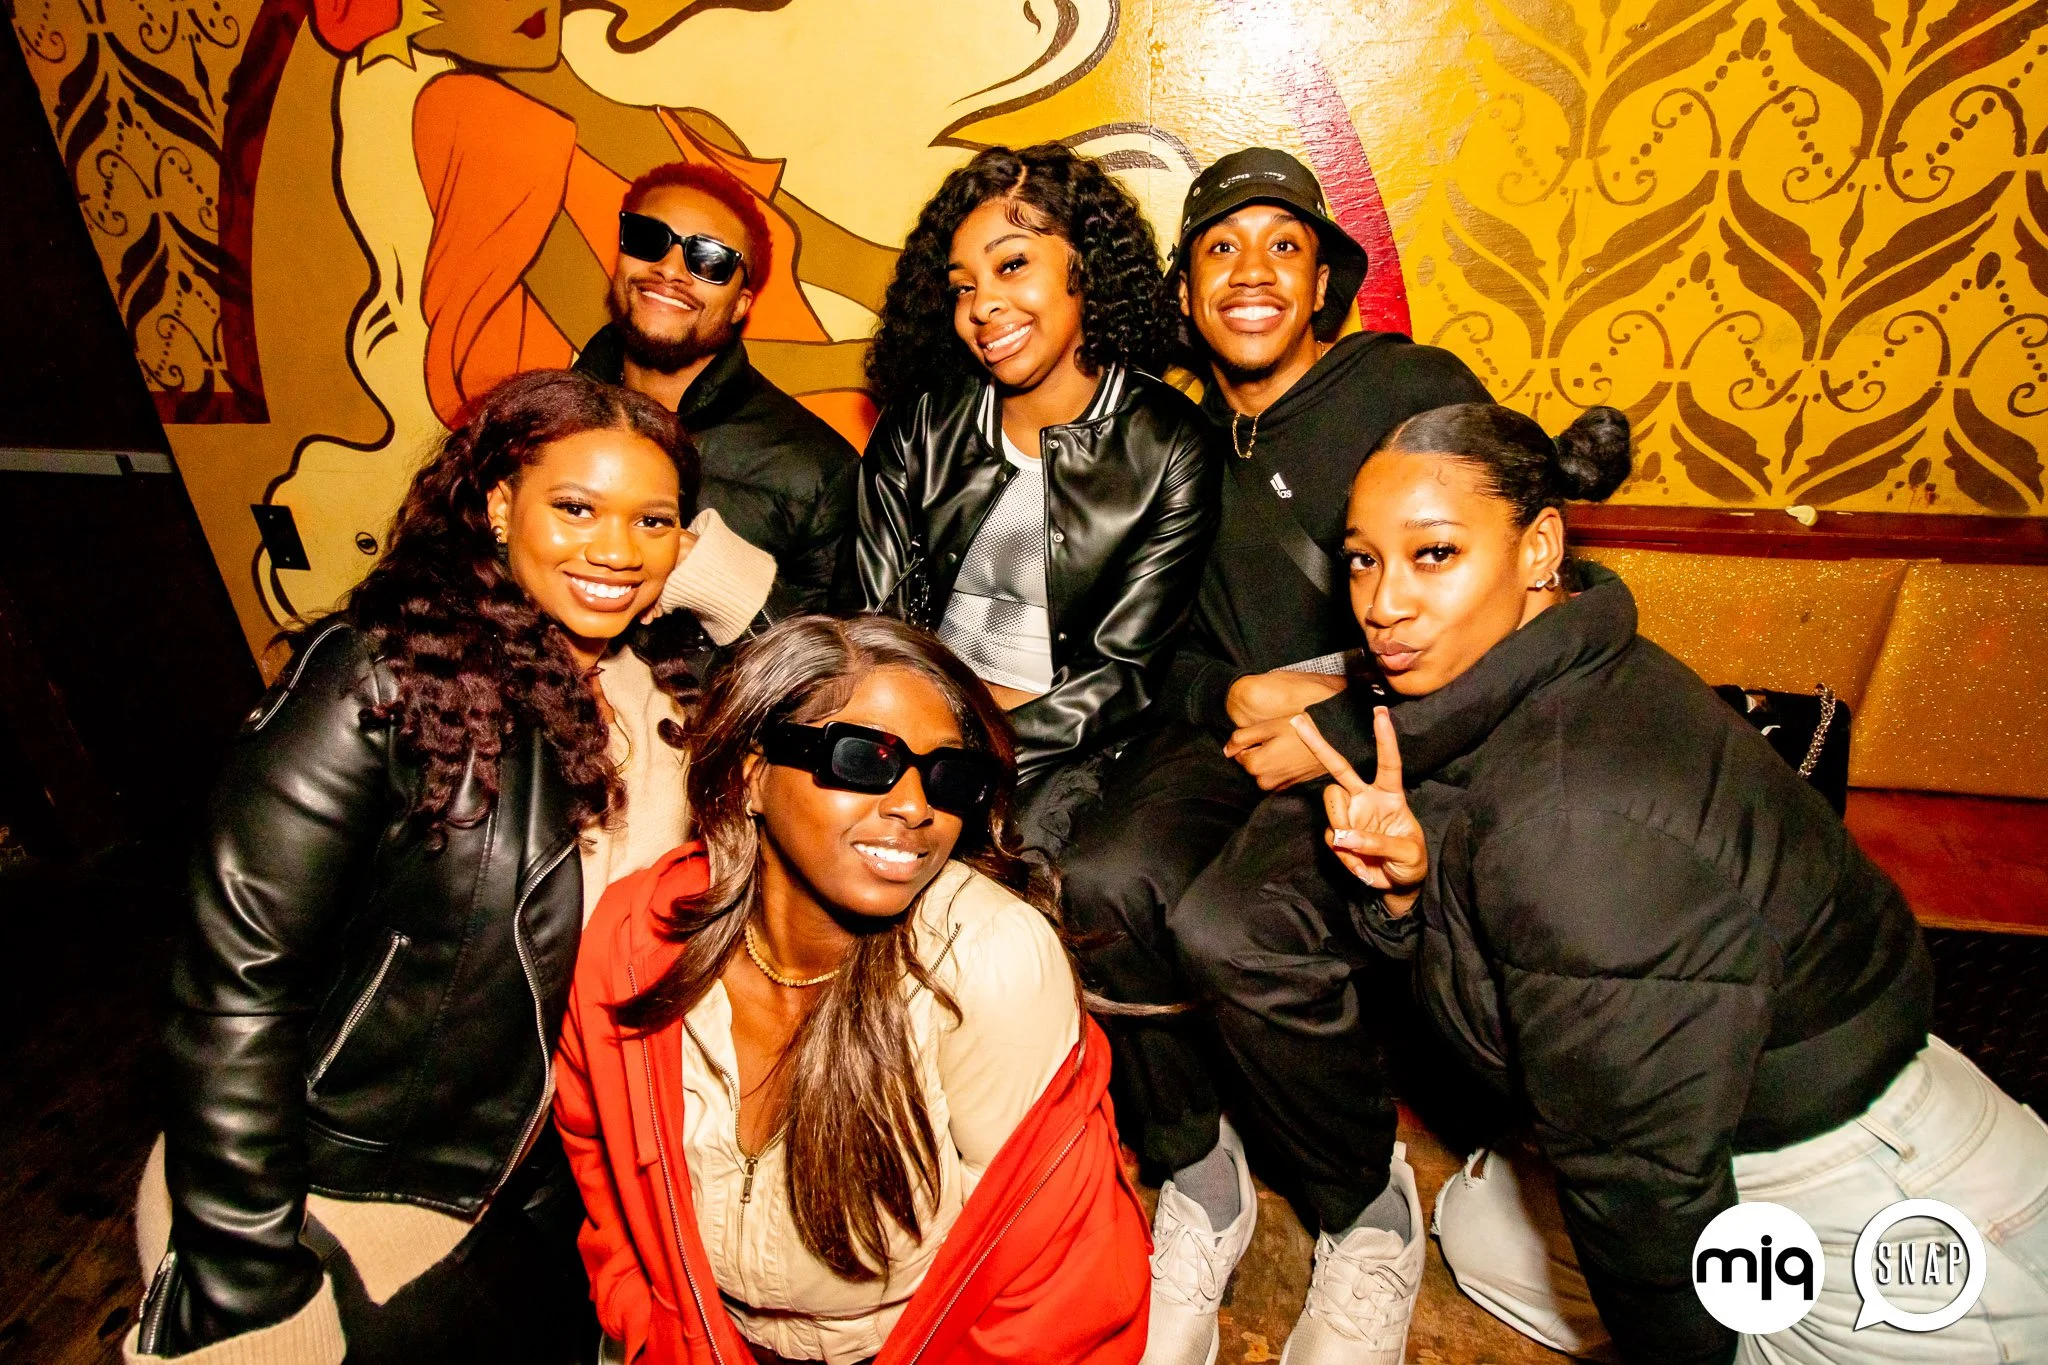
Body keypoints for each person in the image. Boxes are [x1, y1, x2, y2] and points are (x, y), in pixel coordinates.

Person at [1294, 401, 2048, 1364]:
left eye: (1434, 553)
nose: (1383, 602)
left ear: (1540, 549)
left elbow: (1637, 1183)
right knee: (1479, 1226)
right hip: (1763, 1127)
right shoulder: (1558, 670)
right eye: (1363, 559)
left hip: (1873, 1188)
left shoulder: (1569, 820)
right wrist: (1406, 896)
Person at [130, 370, 773, 1363]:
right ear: (498, 505)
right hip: (349, 1176)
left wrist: (704, 585)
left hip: (553, 1171)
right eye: (575, 508)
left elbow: (826, 697)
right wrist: (245, 1272)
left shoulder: (663, 691)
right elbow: (236, 990)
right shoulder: (381, 678)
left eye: (653, 521)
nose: (616, 548)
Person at [1056, 147, 1489, 1365]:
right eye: (1219, 249)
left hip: (1392, 739)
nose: (1250, 272)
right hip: (1227, 737)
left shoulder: (1404, 389)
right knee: (1096, 882)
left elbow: (1495, 605)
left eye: (1281, 246)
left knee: (1235, 929)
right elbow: (1157, 648)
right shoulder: (1175, 436)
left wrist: (1329, 721)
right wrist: (1236, 691)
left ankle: (1364, 1207)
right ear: (1186, 291)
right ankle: (1197, 1174)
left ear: (1319, 284)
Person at [554, 614, 1151, 1365]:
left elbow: (1058, 1285)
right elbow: (596, 1146)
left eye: (948, 777)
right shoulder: (637, 941)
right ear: (750, 774)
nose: (915, 806)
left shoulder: (988, 960)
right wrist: (644, 1315)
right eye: (864, 758)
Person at [838, 142, 1220, 855]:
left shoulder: (1170, 443)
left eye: (1012, 265)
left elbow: (1120, 676)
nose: (983, 306)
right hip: (903, 728)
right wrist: (915, 739)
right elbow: (870, 620)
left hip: (1067, 754)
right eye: (962, 287)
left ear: (1085, 266)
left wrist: (968, 753)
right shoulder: (920, 423)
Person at [577, 160, 860, 617]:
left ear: (740, 306)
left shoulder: (818, 472)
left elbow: (826, 650)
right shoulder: (535, 420)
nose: (670, 269)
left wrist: (717, 578)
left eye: (710, 260)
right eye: (648, 239)